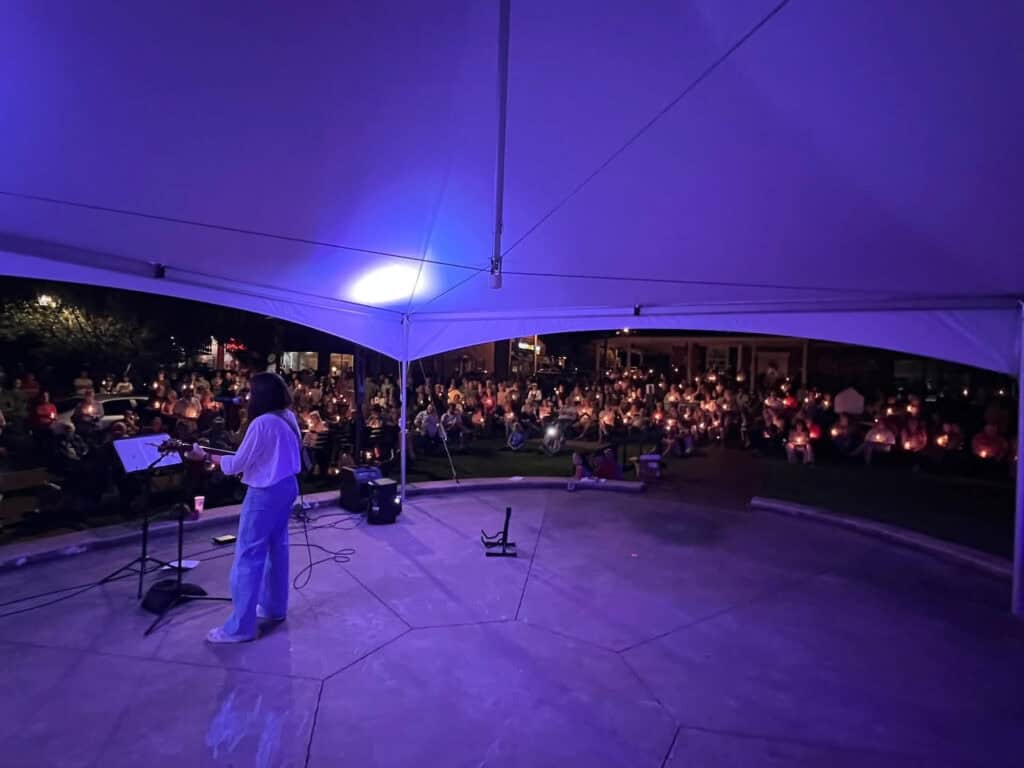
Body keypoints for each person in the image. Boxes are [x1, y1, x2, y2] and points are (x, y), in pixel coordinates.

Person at [188, 372, 300, 644]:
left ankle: (240, 627)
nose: (247, 396)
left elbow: (237, 464)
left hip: (265, 494)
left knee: (248, 556)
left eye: (251, 391)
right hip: (287, 487)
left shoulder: (262, 423)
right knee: (277, 549)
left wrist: (205, 456)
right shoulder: (288, 416)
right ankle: (274, 608)